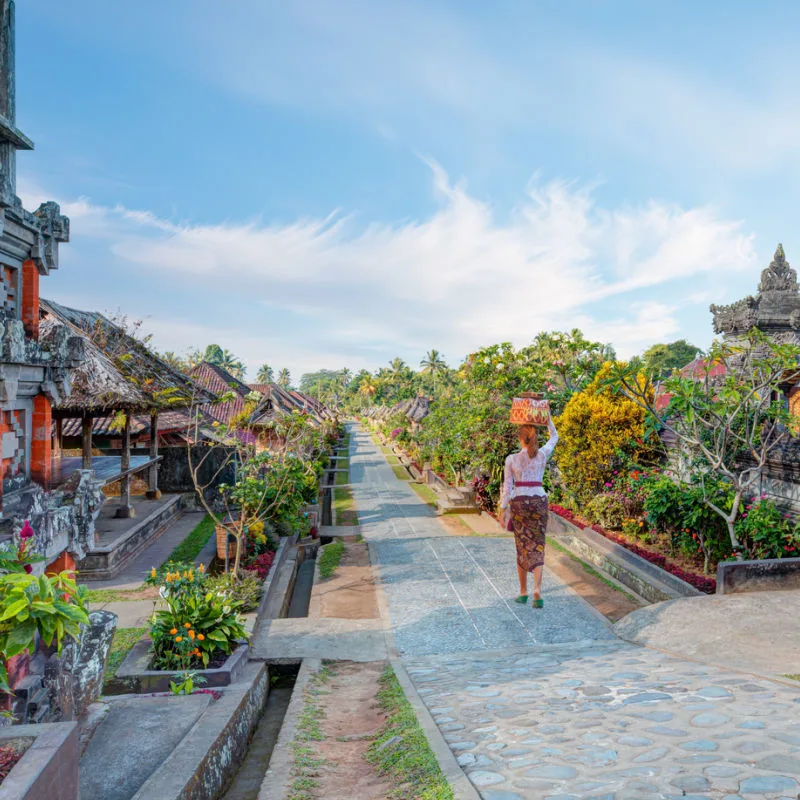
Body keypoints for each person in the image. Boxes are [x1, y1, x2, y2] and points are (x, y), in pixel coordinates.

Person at [499, 417, 558, 608]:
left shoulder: (511, 459)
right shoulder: (542, 455)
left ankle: (523, 591)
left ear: (520, 439)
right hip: (539, 501)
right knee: (538, 545)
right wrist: (547, 419)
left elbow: (507, 487)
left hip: (520, 504)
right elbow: (554, 437)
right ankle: (537, 591)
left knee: (522, 546)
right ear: (534, 439)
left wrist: (502, 510)